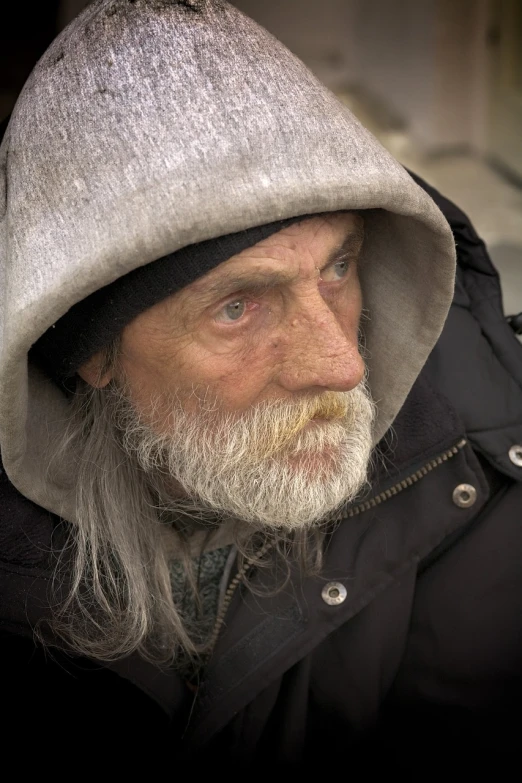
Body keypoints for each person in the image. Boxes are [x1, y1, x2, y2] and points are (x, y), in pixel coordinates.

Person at [0, 0, 521, 773]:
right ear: (92, 355)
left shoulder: (488, 468)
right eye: (238, 306)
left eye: (339, 267)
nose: (343, 366)